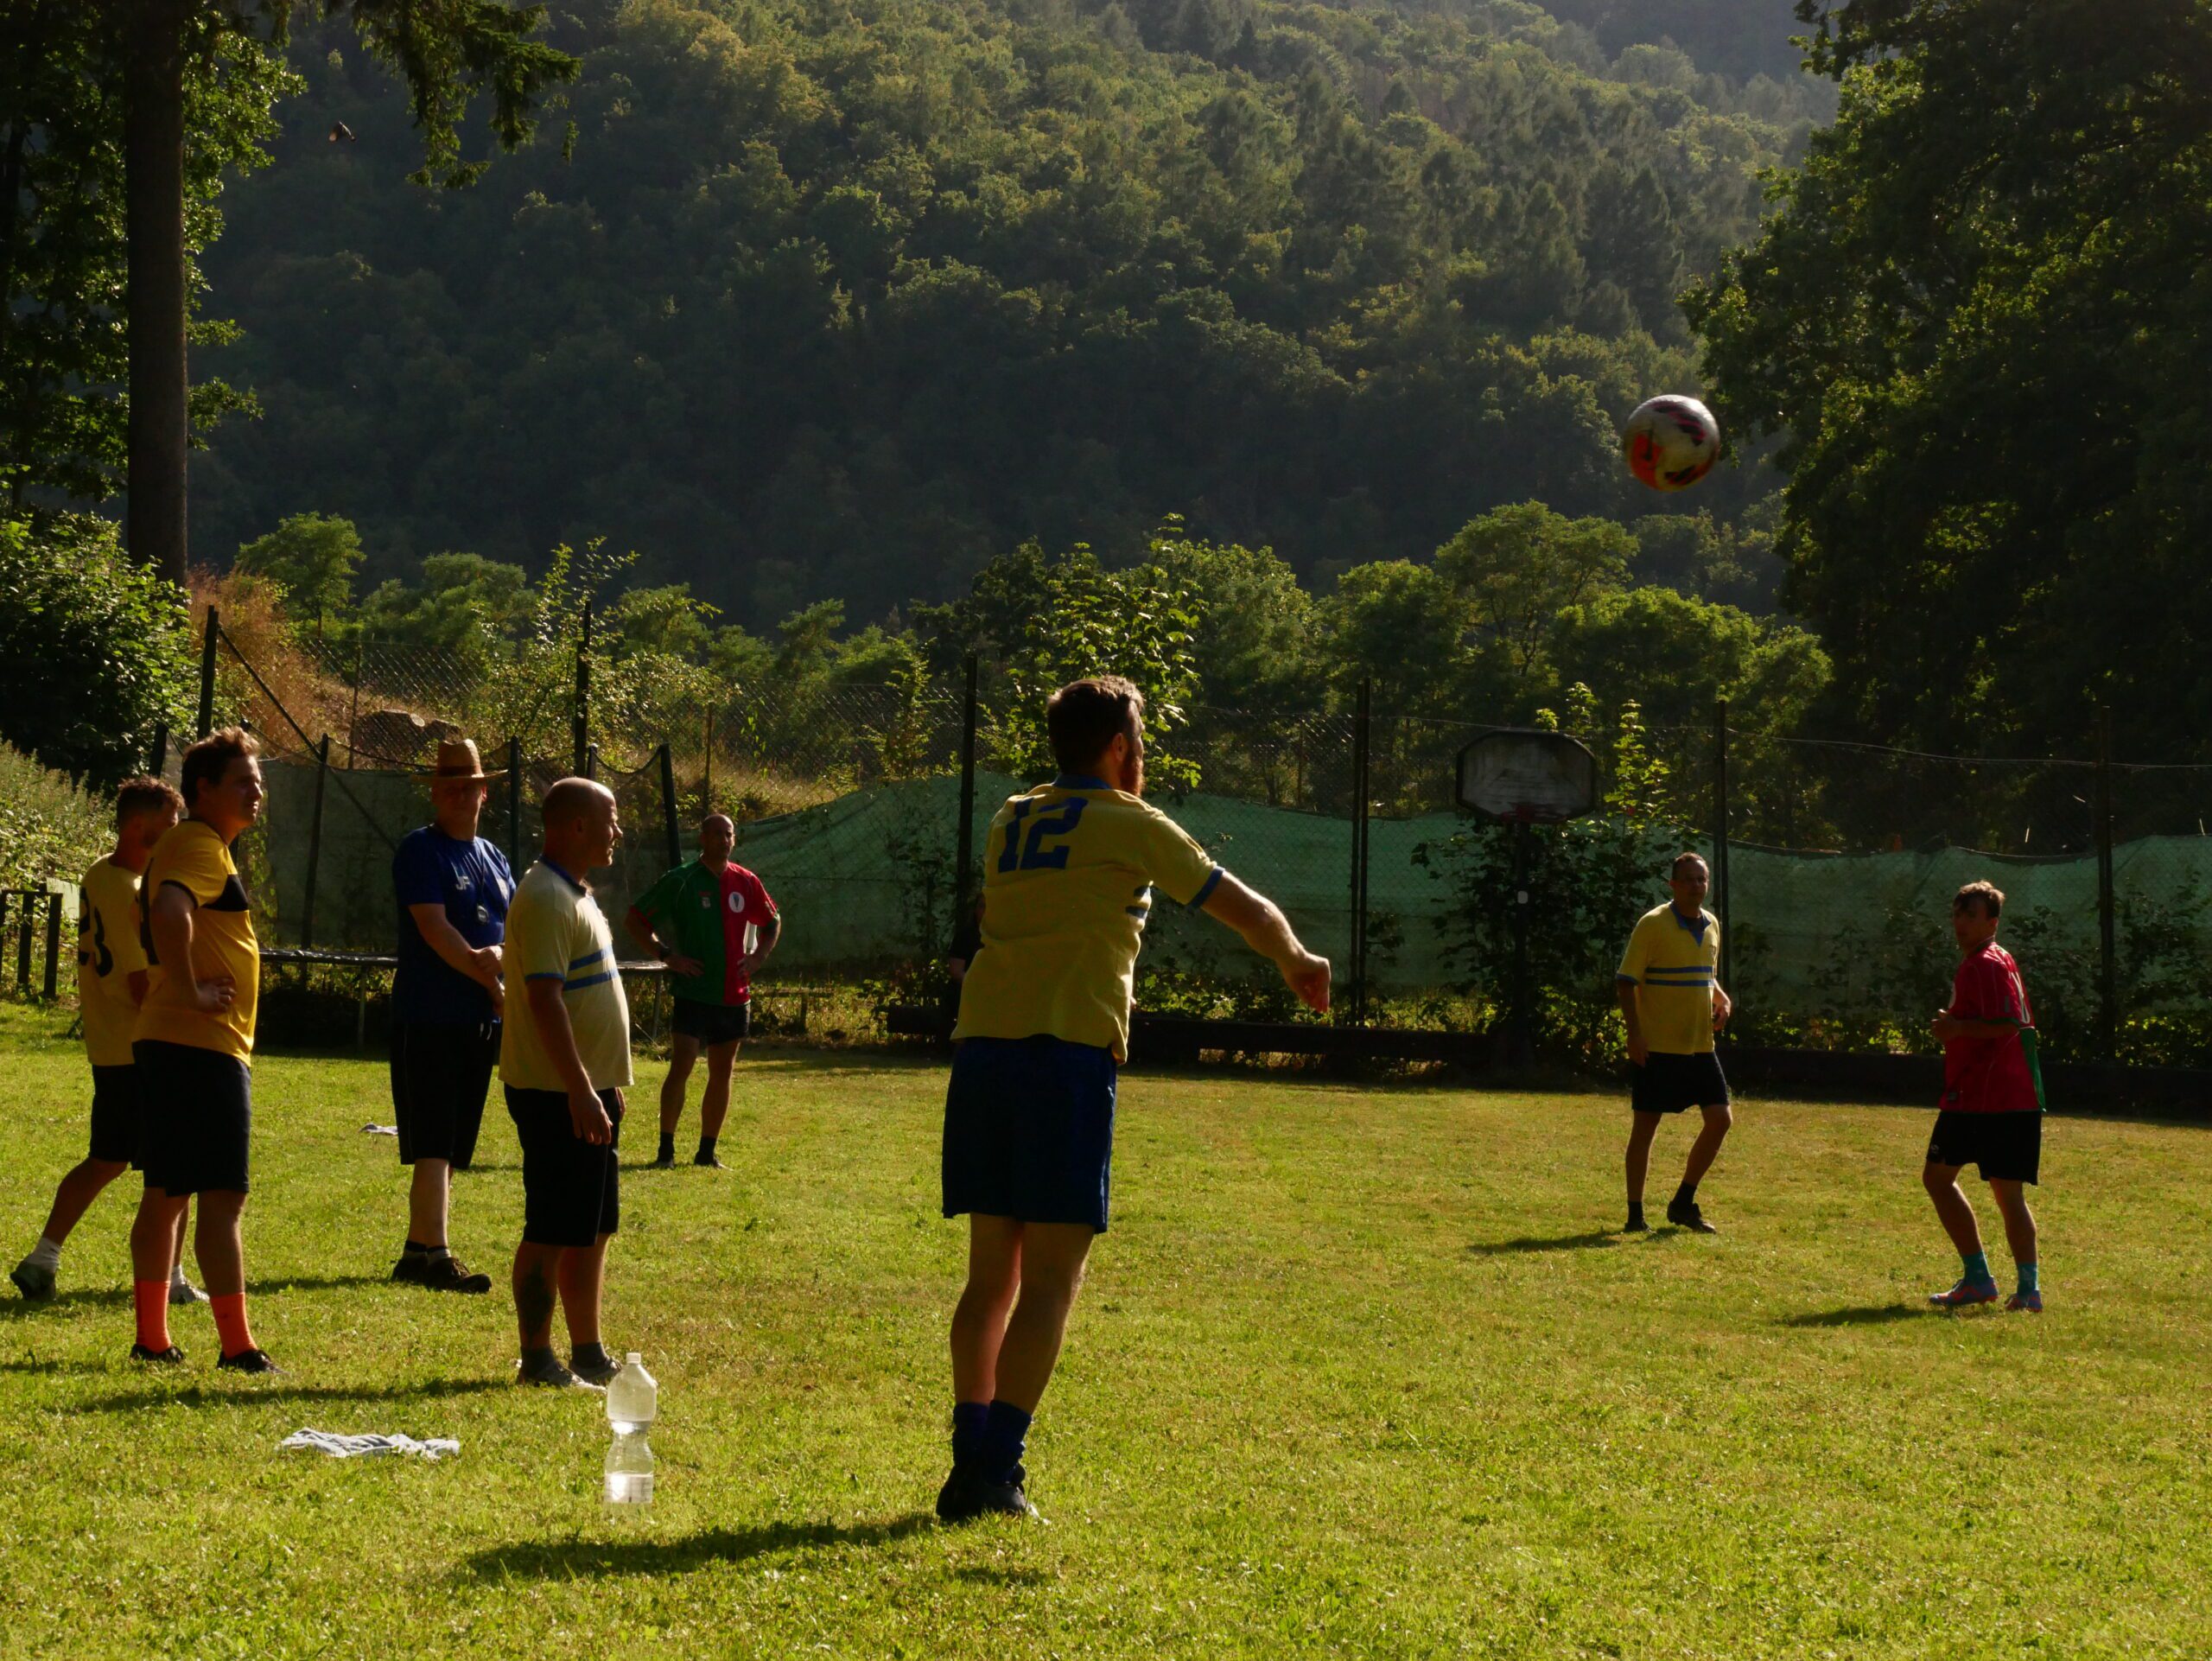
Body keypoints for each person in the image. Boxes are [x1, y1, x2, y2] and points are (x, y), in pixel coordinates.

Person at [935, 676, 1331, 1523]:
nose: (1143, 753)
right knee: (1052, 1278)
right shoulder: (1131, 821)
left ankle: (969, 1462)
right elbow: (1242, 905)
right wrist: (1296, 957)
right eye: (1141, 739)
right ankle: (996, 1470)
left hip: (985, 1050)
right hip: (1063, 1056)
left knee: (989, 1278)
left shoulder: (1012, 816)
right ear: (1119, 746)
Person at [12, 779, 202, 1306]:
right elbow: (140, 983)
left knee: (107, 1159)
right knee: (175, 1165)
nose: (174, 835)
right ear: (139, 827)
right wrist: (192, 1003)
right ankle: (173, 1281)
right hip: (142, 1047)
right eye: (168, 826)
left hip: (111, 1047)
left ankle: (41, 1260)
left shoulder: (100, 872)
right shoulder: (129, 891)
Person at [126, 729, 279, 1372]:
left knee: (166, 1195)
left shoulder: (194, 844)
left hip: (175, 1043)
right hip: (201, 1048)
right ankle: (237, 1348)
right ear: (204, 790)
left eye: (258, 783)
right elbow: (169, 911)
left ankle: (152, 1339)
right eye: (243, 782)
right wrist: (190, 991)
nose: (256, 793)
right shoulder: (199, 844)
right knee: (222, 1197)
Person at [502, 777, 632, 1388]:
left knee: (592, 1228)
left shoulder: (575, 893)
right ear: (578, 825)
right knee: (552, 1229)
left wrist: (602, 1083)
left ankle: (587, 1351)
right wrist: (580, 1087)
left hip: (586, 1091)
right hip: (557, 1095)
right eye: (610, 819)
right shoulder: (545, 897)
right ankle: (536, 1359)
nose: (617, 831)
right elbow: (545, 1001)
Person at [389, 739, 513, 1294]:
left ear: (485, 792)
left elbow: (515, 928)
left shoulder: (495, 857)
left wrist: (502, 956)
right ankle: (436, 1255)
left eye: (470, 785)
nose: (461, 794)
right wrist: (489, 979)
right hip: (430, 1014)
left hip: (478, 1018)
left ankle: (418, 1252)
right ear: (435, 793)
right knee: (434, 1139)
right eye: (450, 785)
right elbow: (434, 929)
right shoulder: (421, 849)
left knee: (452, 1142)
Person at [624, 812, 779, 1169]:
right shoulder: (681, 880)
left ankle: (706, 1153)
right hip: (693, 993)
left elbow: (772, 922)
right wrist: (667, 956)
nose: (724, 840)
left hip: (733, 995)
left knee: (722, 1073)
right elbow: (635, 920)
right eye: (717, 834)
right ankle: (665, 1151)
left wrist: (757, 958)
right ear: (702, 838)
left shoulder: (747, 881)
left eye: (729, 834)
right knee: (682, 1066)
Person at [1924, 880, 2045, 1312]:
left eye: (1971, 916)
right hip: (2013, 1096)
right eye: (1958, 914)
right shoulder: (1999, 959)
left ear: (1992, 923)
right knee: (2008, 1194)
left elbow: (2008, 1023)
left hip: (1984, 1096)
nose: (1960, 922)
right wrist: (1958, 1024)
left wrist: (1956, 1028)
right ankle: (2028, 1291)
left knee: (1938, 1179)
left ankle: (1979, 1278)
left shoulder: (1984, 964)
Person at [1616, 852, 1734, 1235]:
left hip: (1700, 1046)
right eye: (1688, 880)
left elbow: (1706, 974)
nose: (1696, 886)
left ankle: (1683, 1202)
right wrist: (1634, 1034)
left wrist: (1721, 997)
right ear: (1673, 885)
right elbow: (1626, 982)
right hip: (1658, 1047)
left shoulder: (1712, 925)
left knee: (1720, 1120)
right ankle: (1635, 1215)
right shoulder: (1653, 924)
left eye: (1701, 879)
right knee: (1645, 1127)